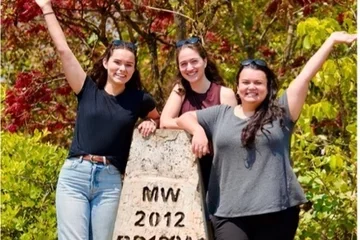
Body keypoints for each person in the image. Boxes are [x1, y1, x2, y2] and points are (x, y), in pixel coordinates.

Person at [176, 32, 357, 240]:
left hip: (277, 211)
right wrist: (198, 130)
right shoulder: (220, 114)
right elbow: (185, 117)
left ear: (267, 87)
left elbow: (305, 75)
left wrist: (331, 40)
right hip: (228, 213)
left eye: (258, 83)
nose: (251, 87)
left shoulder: (281, 113)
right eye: (245, 82)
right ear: (238, 86)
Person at [35, 0, 160, 239]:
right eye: (117, 62)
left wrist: (151, 122)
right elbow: (64, 50)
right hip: (75, 177)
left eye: (128, 65)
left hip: (110, 181)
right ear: (106, 62)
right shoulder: (86, 89)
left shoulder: (140, 99)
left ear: (134, 69)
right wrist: (46, 7)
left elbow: (159, 120)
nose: (122, 69)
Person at [160, 36, 237, 192]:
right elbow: (165, 122)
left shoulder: (225, 94)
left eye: (194, 61)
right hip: (186, 170)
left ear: (205, 61)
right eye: (183, 64)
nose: (189, 68)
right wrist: (196, 129)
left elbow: (232, 136)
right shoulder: (180, 91)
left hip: (219, 172)